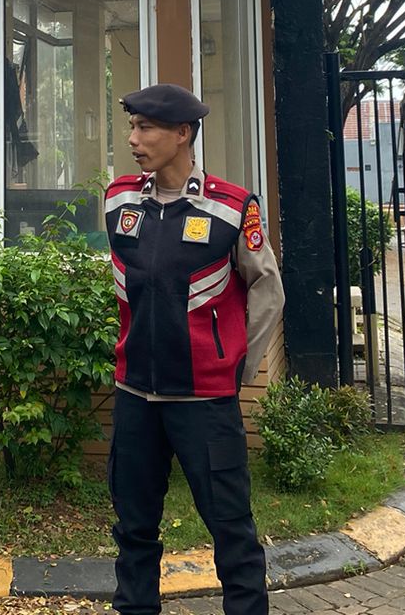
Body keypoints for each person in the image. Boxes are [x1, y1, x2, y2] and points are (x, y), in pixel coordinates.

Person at [104, 83, 285, 615]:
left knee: (231, 530)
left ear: (182, 133)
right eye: (132, 127)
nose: (133, 139)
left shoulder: (232, 207)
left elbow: (267, 290)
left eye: (145, 128)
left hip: (204, 402)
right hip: (135, 396)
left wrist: (235, 366)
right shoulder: (118, 199)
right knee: (133, 529)